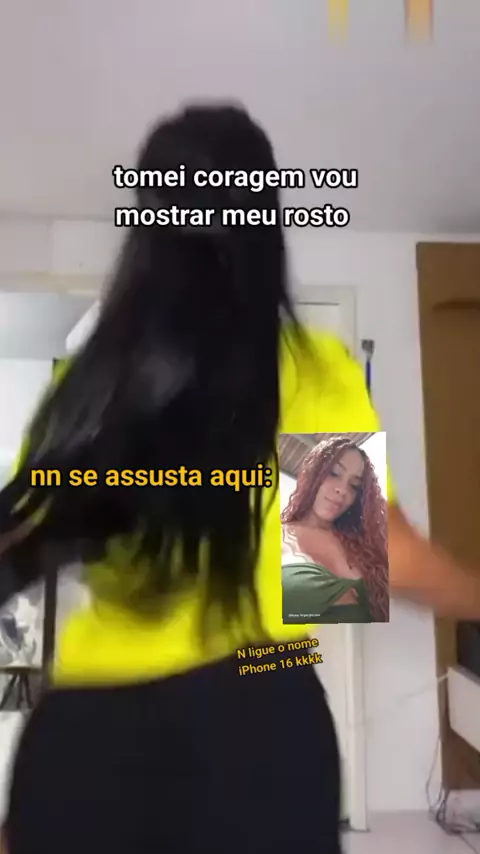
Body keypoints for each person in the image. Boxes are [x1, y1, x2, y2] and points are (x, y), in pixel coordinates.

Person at [0, 103, 480, 854]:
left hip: (83, 730)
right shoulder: (306, 369)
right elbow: (355, 566)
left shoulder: (87, 385)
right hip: (258, 712)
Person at [281, 435, 388, 624]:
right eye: (334, 473)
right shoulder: (273, 536)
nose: (342, 490)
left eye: (354, 485)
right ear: (313, 474)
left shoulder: (365, 543)